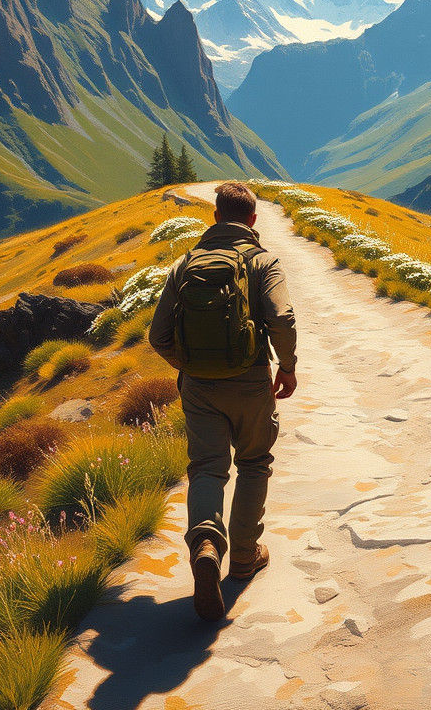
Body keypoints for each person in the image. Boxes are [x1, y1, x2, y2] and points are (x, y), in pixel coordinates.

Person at [148, 181, 298, 621]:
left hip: (199, 389)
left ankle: (207, 545)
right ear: (253, 221)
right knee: (253, 463)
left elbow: (157, 336)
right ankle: (245, 557)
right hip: (252, 382)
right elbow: (282, 318)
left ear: (214, 217)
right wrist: (285, 367)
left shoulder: (184, 265)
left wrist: (190, 365)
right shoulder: (264, 261)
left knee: (208, 467)